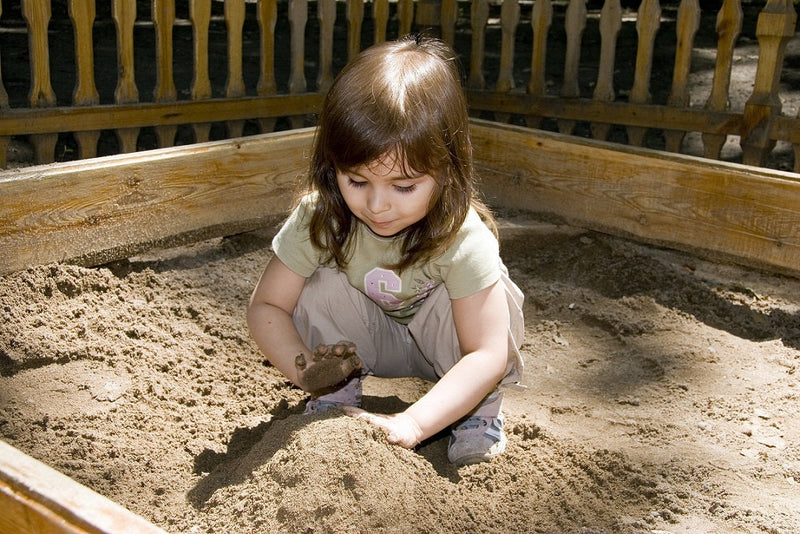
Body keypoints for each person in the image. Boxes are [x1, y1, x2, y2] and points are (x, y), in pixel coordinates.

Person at [247, 35, 524, 465]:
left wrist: (411, 424)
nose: (377, 205)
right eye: (357, 181)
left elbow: (487, 353)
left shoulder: (462, 236)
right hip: (368, 343)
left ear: (447, 170)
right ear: (332, 165)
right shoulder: (323, 217)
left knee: (494, 299)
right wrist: (308, 372)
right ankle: (335, 393)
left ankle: (476, 414)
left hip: (447, 350)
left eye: (404, 186)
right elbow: (266, 304)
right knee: (315, 283)